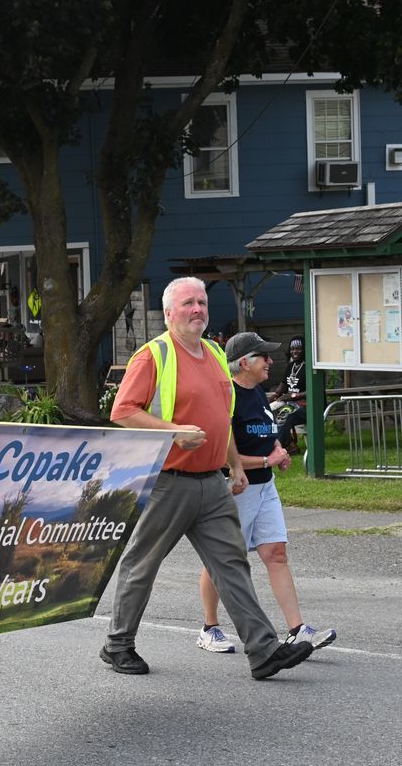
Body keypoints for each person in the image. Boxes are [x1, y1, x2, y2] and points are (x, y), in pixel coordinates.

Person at [104, 276, 315, 681]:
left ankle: (263, 650)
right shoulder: (153, 356)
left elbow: (223, 418)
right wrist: (173, 431)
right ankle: (118, 644)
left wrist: (234, 465)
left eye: (201, 302)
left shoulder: (217, 353)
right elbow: (123, 411)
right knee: (142, 564)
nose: (197, 309)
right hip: (168, 480)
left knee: (232, 563)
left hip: (212, 482)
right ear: (169, 313)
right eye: (188, 303)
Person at [195, 332, 336, 654]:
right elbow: (220, 452)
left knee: (276, 553)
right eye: (263, 356)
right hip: (236, 489)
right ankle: (209, 628)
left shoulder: (258, 393)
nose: (271, 361)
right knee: (223, 560)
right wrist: (264, 459)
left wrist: (277, 450)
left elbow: (267, 430)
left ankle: (297, 630)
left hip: (265, 486)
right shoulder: (226, 396)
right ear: (244, 362)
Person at [268, 336, 307, 454]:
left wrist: (292, 396)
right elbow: (284, 384)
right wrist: (275, 395)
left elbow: (312, 390)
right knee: (269, 412)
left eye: (299, 349)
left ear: (304, 349)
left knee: (284, 415)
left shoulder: (309, 367)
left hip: (306, 406)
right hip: (290, 404)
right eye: (292, 349)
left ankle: (277, 449)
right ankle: (290, 445)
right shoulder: (291, 366)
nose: (295, 351)